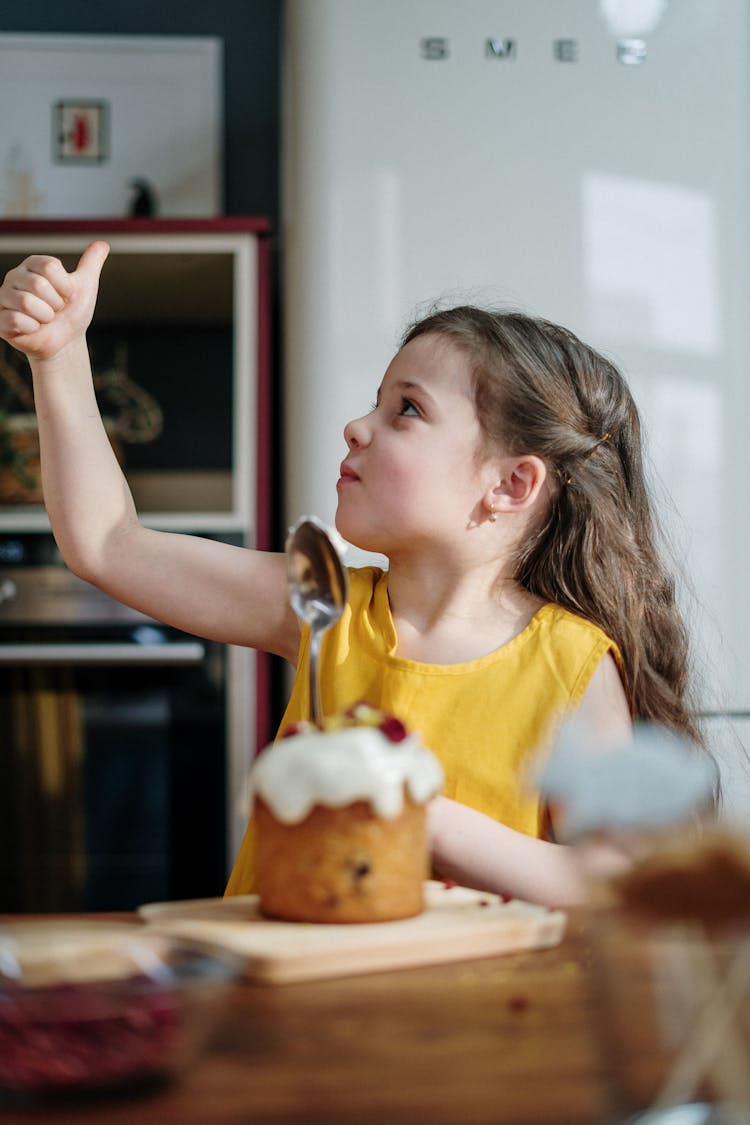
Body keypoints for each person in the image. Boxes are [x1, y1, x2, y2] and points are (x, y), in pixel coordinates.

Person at [0, 243, 706, 906]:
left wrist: (422, 819)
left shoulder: (571, 666)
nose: (356, 425)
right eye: (377, 400)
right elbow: (106, 544)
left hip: (466, 1028)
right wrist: (59, 355)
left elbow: (613, 880)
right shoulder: (321, 606)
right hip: (283, 1015)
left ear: (512, 485)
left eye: (406, 408)